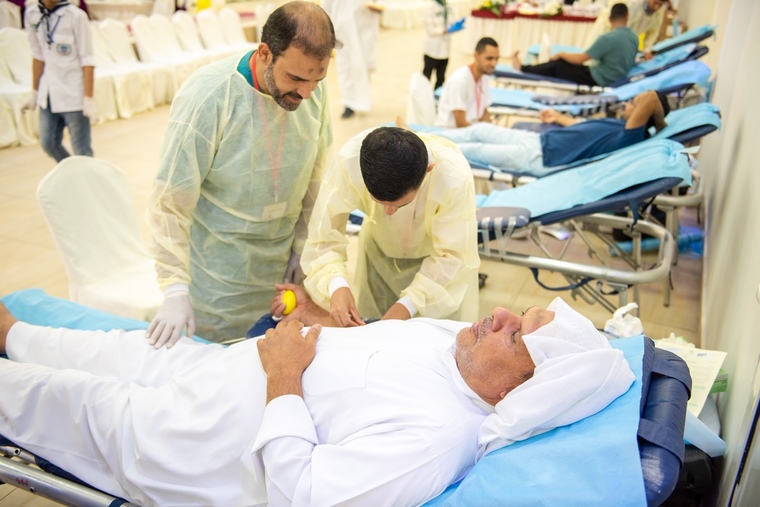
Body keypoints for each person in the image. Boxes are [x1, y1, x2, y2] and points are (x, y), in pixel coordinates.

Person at [0, 289, 632, 506]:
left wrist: (283, 377)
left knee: (68, 398)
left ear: (519, 387)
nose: (500, 315)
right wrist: (316, 320)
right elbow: (370, 346)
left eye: (516, 334)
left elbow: (301, 495)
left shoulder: (437, 439)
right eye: (520, 312)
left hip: (199, 442)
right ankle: (13, 334)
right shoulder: (456, 344)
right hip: (221, 367)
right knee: (111, 349)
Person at [145, 1, 340, 347]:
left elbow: (315, 178)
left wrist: (302, 248)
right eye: (296, 78)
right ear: (265, 53)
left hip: (281, 268)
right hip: (221, 274)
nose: (306, 93)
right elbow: (170, 200)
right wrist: (174, 288)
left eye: (317, 79)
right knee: (220, 358)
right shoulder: (210, 96)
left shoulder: (311, 92)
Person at [301, 126, 480, 327]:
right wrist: (336, 284)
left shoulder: (453, 177)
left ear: (428, 170)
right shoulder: (350, 161)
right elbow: (323, 235)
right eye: (378, 202)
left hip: (438, 272)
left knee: (430, 338)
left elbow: (453, 257)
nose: (388, 212)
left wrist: (408, 305)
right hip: (378, 256)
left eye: (401, 205)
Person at [399, 90, 669, 172]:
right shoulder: (620, 127)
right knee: (479, 129)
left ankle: (417, 149)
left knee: (471, 150)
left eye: (633, 104)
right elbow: (582, 129)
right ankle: (417, 136)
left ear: (644, 117)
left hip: (542, 157)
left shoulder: (631, 136)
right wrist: (558, 117)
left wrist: (660, 125)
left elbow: (651, 98)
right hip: (540, 140)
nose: (628, 104)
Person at [21, 0, 98, 162]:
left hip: (74, 93)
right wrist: (34, 92)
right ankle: (70, 173)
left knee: (82, 150)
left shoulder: (76, 16)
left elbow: (87, 60)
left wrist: (88, 98)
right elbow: (38, 55)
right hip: (48, 92)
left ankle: (86, 177)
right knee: (48, 143)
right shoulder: (32, 13)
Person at [513, 3, 638, 87]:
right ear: (627, 17)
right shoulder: (634, 38)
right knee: (568, 65)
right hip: (614, 77)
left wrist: (561, 54)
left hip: (599, 79)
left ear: (609, 18)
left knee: (558, 65)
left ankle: (523, 69)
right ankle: (526, 68)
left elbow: (580, 59)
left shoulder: (608, 38)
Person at [322, 0, 384, 119]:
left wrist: (379, 6)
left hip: (366, 19)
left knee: (364, 63)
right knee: (346, 65)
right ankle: (348, 103)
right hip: (343, 22)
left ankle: (362, 98)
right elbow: (327, 5)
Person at [435, 37, 499, 128]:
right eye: (489, 58)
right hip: (451, 132)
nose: (494, 63)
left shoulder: (484, 77)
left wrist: (492, 131)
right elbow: (460, 123)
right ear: (476, 55)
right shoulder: (460, 80)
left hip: (470, 130)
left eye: (496, 59)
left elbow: (484, 114)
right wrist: (481, 133)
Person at [585, 0, 669, 61]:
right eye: (655, 3)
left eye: (660, 5)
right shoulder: (633, 4)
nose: (657, 7)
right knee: (592, 59)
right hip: (607, 30)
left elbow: (653, 32)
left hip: (621, 38)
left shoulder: (659, 11)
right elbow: (621, 29)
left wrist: (646, 50)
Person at [421, 0, 465, 90]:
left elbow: (451, 23)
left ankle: (437, 97)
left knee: (441, 78)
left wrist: (455, 26)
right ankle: (423, 96)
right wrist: (444, 30)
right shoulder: (429, 7)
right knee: (426, 78)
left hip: (445, 50)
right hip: (432, 50)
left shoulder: (448, 6)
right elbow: (430, 30)